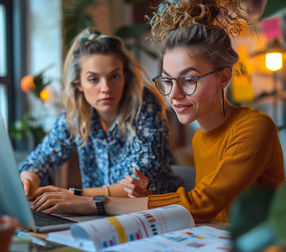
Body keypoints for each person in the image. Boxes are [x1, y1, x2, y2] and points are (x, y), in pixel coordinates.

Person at [29, 0, 285, 223]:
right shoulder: (200, 138)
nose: (173, 94)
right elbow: (213, 214)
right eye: (167, 81)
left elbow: (202, 204)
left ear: (223, 77)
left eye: (188, 80)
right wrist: (146, 199)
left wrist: (91, 202)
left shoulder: (254, 127)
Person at [19, 28, 182, 199]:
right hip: (98, 215)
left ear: (125, 77)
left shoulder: (145, 105)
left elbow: (138, 183)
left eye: (114, 76)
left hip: (159, 213)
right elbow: (37, 161)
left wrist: (73, 195)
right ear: (78, 84)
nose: (106, 88)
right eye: (93, 79)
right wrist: (29, 181)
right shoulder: (77, 115)